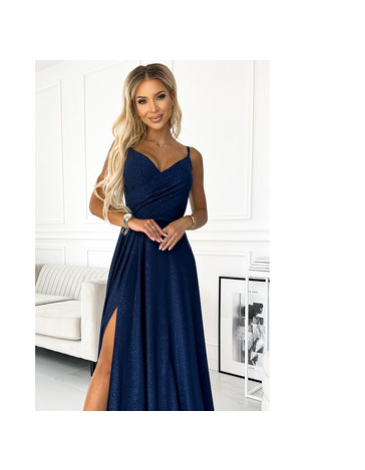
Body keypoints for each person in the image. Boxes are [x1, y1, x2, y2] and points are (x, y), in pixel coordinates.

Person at [82, 63, 214, 411]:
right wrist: (131, 220)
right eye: (142, 101)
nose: (153, 108)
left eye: (159, 97)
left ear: (172, 97)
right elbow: (96, 202)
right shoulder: (123, 147)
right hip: (133, 259)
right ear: (133, 106)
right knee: (109, 357)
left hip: (175, 263)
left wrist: (185, 222)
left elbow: (201, 212)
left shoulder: (192, 157)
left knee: (176, 357)